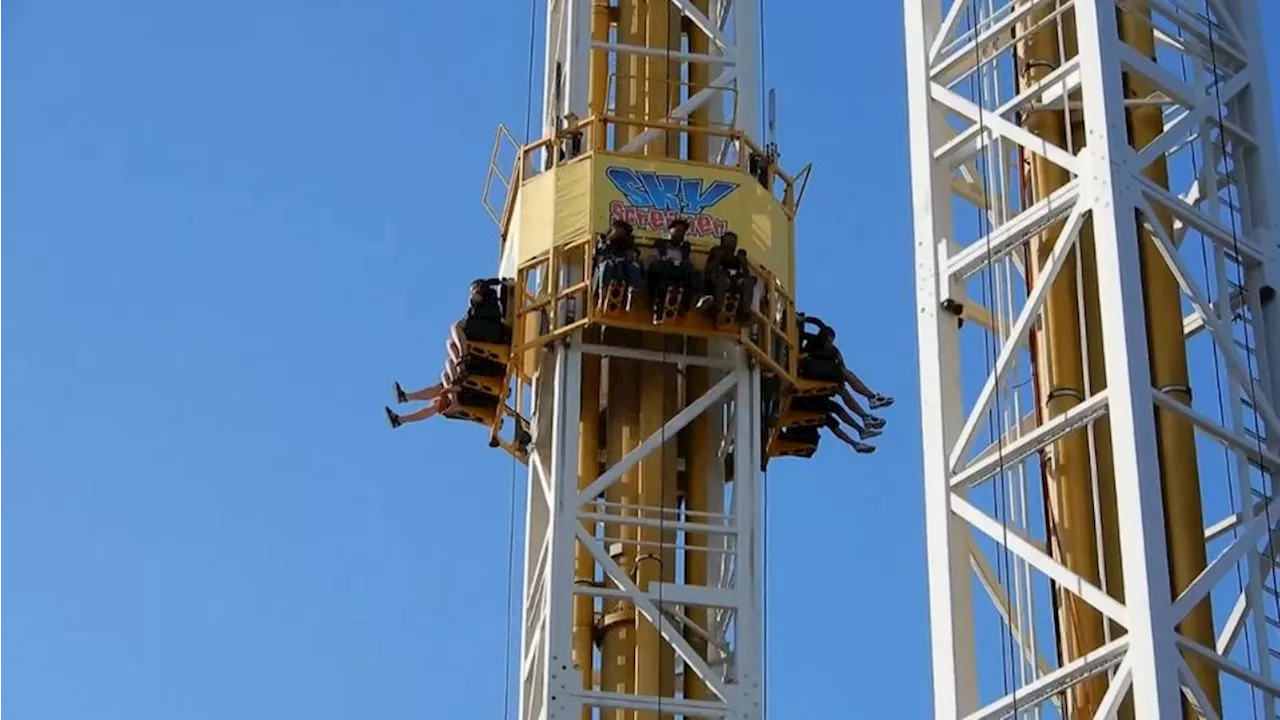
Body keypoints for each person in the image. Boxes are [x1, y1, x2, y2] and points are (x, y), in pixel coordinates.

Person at [696, 231, 756, 322]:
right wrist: (718, 257)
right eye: (728, 242)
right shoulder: (716, 251)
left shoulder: (737, 257)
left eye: (733, 243)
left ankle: (745, 312)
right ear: (722, 242)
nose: (730, 245)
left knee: (748, 282)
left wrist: (744, 264)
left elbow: (745, 276)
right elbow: (709, 270)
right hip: (718, 281)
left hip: (735, 283)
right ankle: (717, 309)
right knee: (723, 280)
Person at [789, 394, 879, 453]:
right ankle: (859, 434)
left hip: (802, 403)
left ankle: (858, 438)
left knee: (830, 416)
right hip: (800, 402)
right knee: (832, 410)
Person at [647, 217, 694, 322]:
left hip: (679, 273)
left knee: (690, 270)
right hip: (662, 273)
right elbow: (653, 260)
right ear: (670, 230)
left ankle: (686, 306)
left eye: (682, 232)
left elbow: (689, 261)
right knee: (662, 268)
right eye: (678, 231)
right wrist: (668, 262)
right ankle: (657, 310)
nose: (680, 234)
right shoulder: (660, 244)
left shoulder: (685, 247)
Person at [594, 220, 643, 310]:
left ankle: (631, 299)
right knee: (607, 265)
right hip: (608, 266)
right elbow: (599, 252)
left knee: (635, 267)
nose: (619, 232)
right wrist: (609, 240)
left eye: (622, 230)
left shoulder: (629, 242)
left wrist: (630, 256)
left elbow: (635, 254)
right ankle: (602, 298)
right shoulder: (603, 238)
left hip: (623, 267)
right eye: (617, 229)